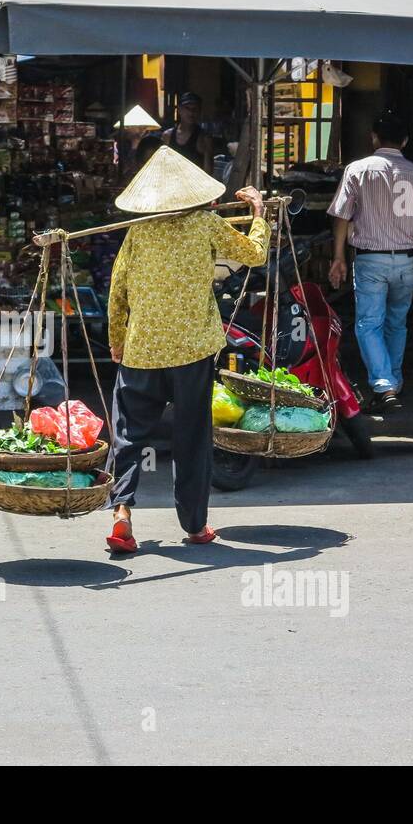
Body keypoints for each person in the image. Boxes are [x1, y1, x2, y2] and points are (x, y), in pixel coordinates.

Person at [106, 145, 270, 553]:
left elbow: (117, 293)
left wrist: (117, 341)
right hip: (192, 351)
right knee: (192, 437)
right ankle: (195, 526)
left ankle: (122, 513)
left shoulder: (138, 233)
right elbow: (255, 253)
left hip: (142, 349)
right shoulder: (207, 225)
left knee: (128, 434)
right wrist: (259, 214)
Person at [327, 113, 413, 412]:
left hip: (370, 262)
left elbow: (341, 216)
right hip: (406, 263)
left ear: (374, 137)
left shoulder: (357, 170)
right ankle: (393, 382)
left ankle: (384, 384)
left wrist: (338, 257)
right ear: (405, 141)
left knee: (368, 324)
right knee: (396, 323)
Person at [161, 91, 215, 173]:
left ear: (199, 112)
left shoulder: (204, 138)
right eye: (187, 108)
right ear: (179, 110)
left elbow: (208, 173)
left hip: (195, 183)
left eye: (195, 109)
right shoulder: (167, 136)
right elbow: (161, 166)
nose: (191, 112)